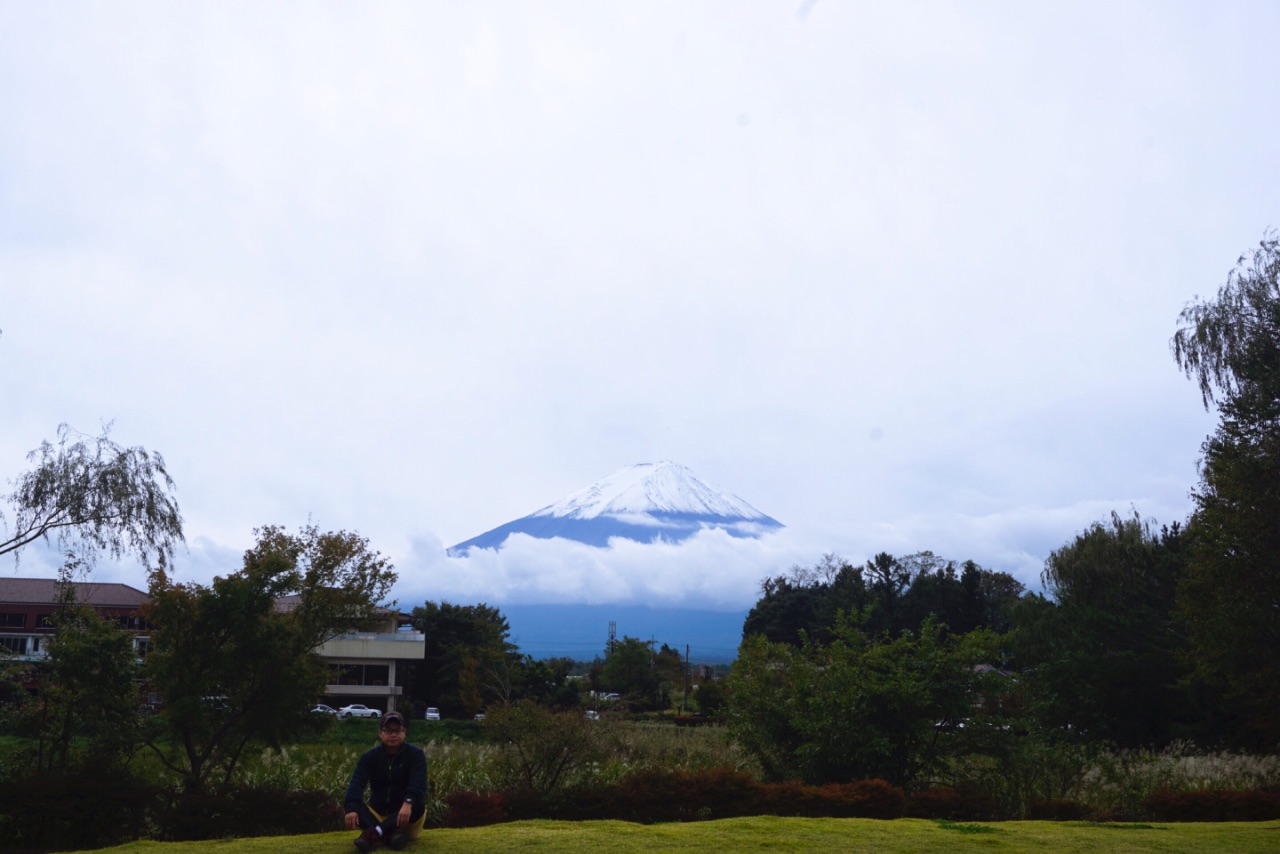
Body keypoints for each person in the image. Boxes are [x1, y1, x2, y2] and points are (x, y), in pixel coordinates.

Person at [343, 710, 428, 851]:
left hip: (404, 816)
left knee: (417, 804)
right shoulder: (369, 757)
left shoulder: (415, 755)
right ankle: (389, 836)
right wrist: (351, 808)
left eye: (397, 731)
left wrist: (408, 803)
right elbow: (356, 783)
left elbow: (418, 784)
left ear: (404, 732)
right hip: (377, 814)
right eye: (388, 731)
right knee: (354, 804)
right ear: (380, 733)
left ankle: (374, 834)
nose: (393, 735)